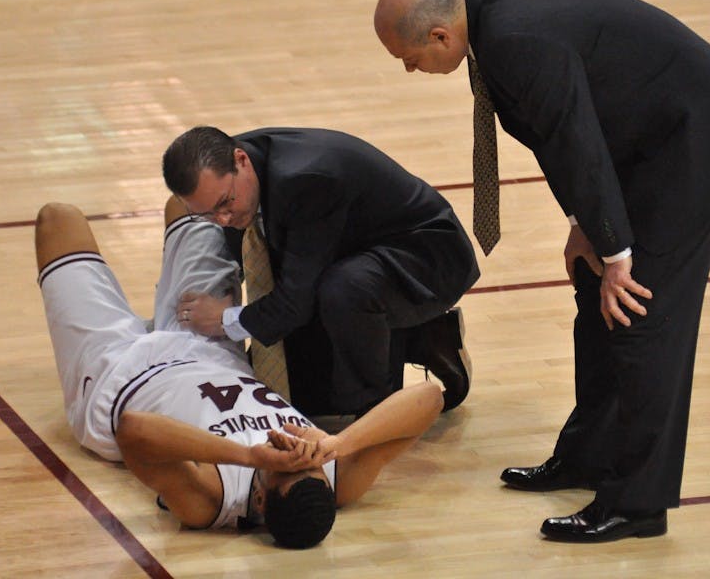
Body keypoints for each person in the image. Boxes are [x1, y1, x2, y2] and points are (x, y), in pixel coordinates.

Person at [374, 0, 710, 542]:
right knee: (596, 289)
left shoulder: (514, 39)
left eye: (408, 57)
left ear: (440, 36)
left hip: (694, 135)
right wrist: (584, 226)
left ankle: (637, 504)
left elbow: (573, 137)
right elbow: (557, 131)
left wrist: (616, 249)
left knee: (642, 311)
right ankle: (589, 454)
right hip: (641, 136)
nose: (409, 70)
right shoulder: (483, 11)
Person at [34, 197, 445, 548]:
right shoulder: (336, 478)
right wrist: (337, 443)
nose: (297, 453)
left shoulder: (213, 501)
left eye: (287, 466)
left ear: (262, 503)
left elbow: (133, 430)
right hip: (209, 347)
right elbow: (430, 398)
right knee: (191, 204)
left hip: (116, 375)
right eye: (310, 466)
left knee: (57, 218)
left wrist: (248, 455)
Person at [161, 126, 480, 416]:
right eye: (207, 214)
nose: (223, 219)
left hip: (426, 258)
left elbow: (293, 305)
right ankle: (417, 337)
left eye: (225, 203)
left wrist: (225, 319)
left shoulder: (304, 180)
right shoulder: (228, 174)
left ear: (241, 159)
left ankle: (379, 410)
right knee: (305, 400)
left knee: (343, 292)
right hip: (353, 255)